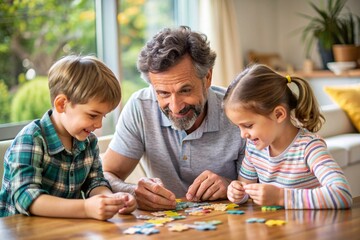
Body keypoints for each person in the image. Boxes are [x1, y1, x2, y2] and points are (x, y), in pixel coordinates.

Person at [102, 26, 246, 210]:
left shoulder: (238, 112)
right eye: (162, 93)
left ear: (207, 77)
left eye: (185, 90)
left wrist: (229, 186)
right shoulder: (140, 106)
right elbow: (106, 174)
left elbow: (264, 183)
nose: (176, 106)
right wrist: (133, 192)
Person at [0, 55, 137, 219]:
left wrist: (112, 200)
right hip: (23, 232)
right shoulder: (31, 139)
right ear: (61, 104)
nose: (99, 124)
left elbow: (95, 182)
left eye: (103, 116)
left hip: (68, 230)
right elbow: (27, 197)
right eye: (93, 115)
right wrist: (85, 208)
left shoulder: (88, 142)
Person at [224, 64, 353, 209]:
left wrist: (281, 197)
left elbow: (341, 194)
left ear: (279, 114)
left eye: (248, 126)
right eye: (238, 127)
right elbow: (246, 188)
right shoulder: (254, 149)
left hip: (310, 228)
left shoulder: (309, 148)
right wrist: (237, 192)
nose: (243, 135)